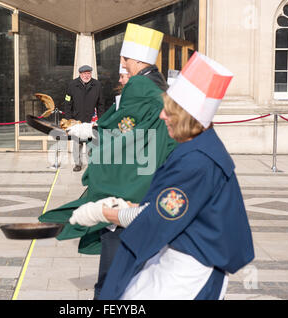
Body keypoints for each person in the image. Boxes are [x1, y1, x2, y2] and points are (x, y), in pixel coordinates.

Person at [69, 52, 255, 300]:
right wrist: (128, 206)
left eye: (169, 111)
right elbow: (167, 208)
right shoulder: (197, 148)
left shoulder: (196, 163)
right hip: (178, 260)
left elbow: (156, 220)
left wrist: (105, 213)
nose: (161, 116)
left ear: (187, 116)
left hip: (188, 274)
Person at [39, 23, 177, 297]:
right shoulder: (157, 83)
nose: (122, 65)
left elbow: (125, 126)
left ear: (138, 61)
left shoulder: (139, 84)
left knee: (114, 238)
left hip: (134, 177)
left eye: (125, 60)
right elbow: (135, 125)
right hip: (154, 170)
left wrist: (91, 130)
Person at [63, 65, 104, 172]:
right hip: (77, 121)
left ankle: (92, 164)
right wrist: (69, 120)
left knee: (92, 144)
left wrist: (101, 120)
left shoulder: (97, 85)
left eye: (88, 73)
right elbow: (68, 103)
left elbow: (100, 104)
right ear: (80, 74)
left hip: (92, 121)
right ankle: (78, 164)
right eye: (84, 73)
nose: (87, 75)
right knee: (77, 144)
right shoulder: (72, 85)